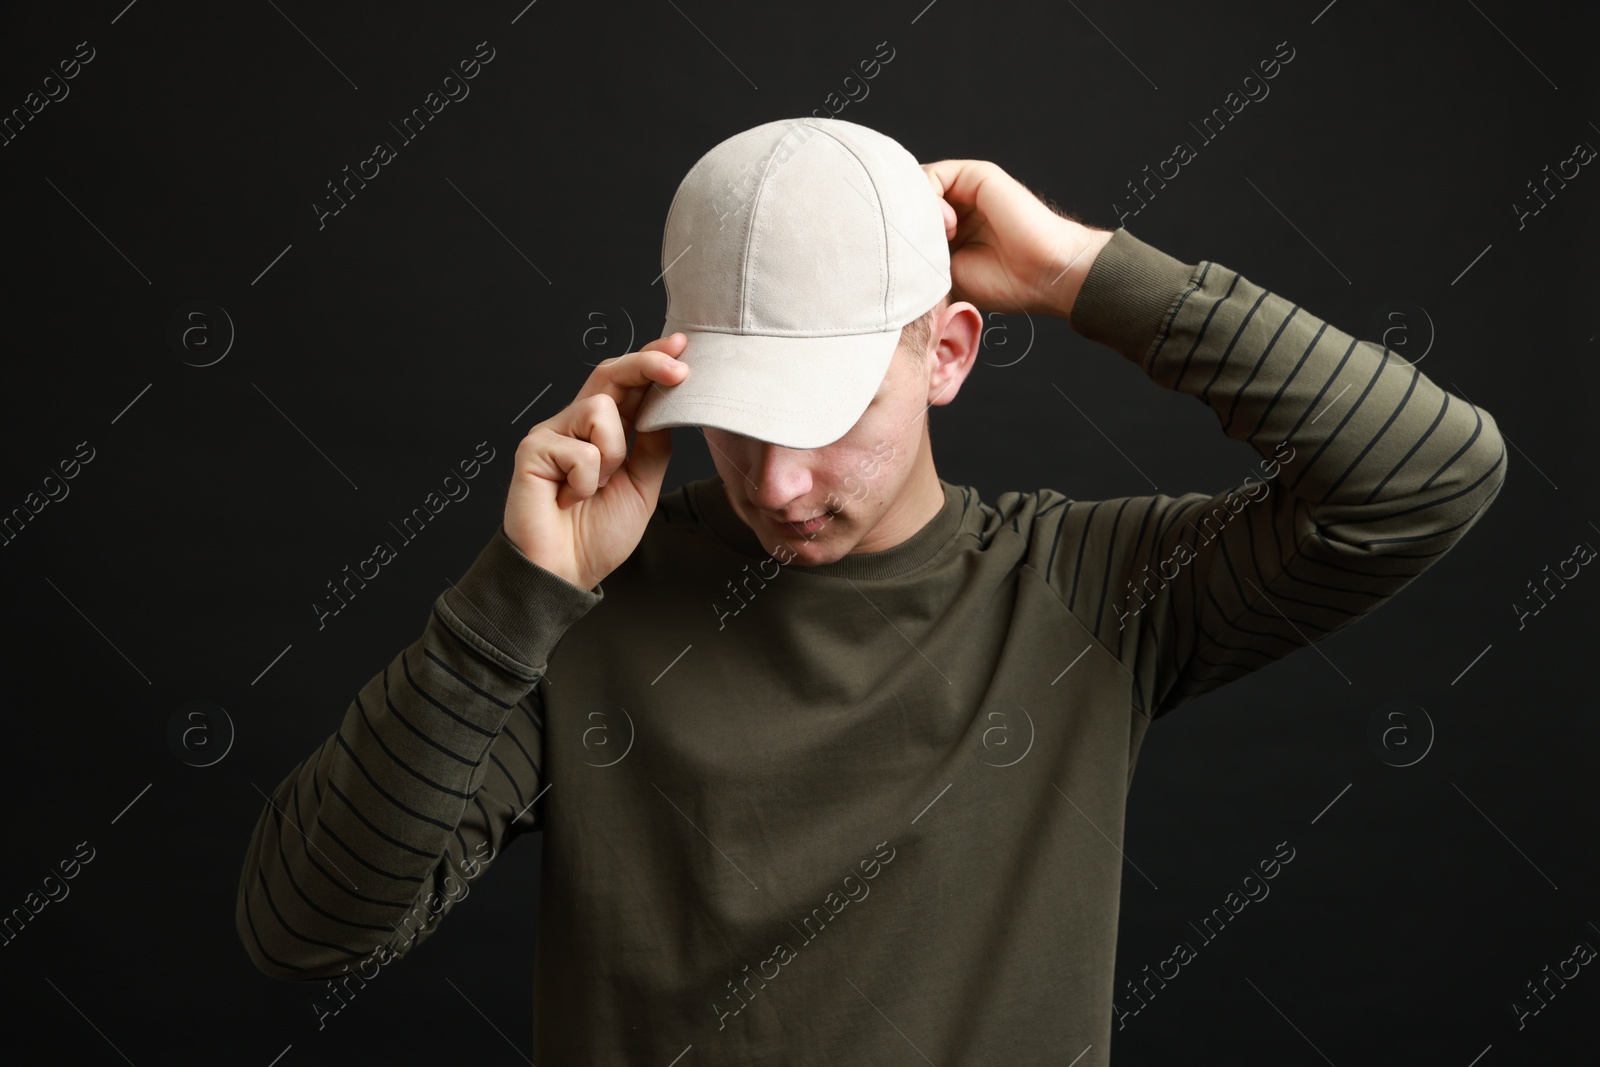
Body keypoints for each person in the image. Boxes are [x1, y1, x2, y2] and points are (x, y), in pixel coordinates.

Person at [236, 116, 1506, 1063]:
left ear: (947, 351)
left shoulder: (1085, 593)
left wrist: (1082, 273)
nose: (779, 483)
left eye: (829, 413)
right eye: (735, 420)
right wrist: (516, 599)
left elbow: (1426, 475)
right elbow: (306, 932)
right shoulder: (586, 600)